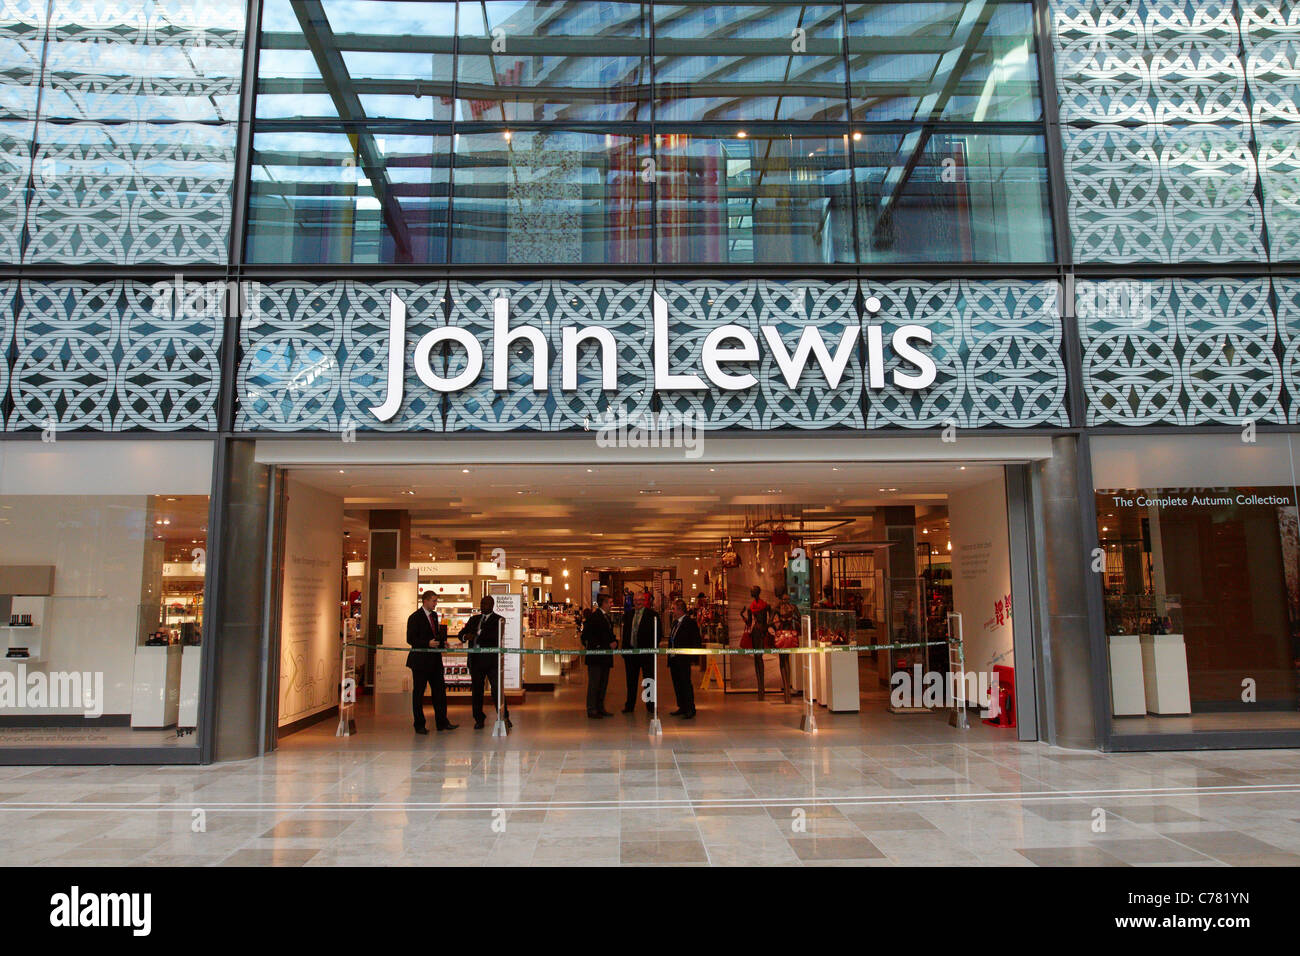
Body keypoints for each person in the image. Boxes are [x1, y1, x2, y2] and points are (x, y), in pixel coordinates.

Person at [406, 590, 456, 734]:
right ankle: (419, 724)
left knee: (439, 692)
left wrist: (442, 643)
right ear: (425, 601)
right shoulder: (414, 617)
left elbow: (435, 635)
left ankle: (442, 721)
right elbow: (411, 639)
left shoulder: (434, 616)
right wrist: (427, 643)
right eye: (433, 601)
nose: (435, 604)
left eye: (436, 601)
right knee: (419, 693)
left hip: (434, 660)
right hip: (420, 661)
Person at [459, 594, 510, 730]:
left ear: (492, 605)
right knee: (477, 692)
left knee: (496, 690)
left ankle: (504, 716)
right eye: (481, 604)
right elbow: (461, 633)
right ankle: (478, 718)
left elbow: (494, 638)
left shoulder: (499, 620)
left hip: (492, 662)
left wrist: (475, 635)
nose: (482, 607)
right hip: (475, 661)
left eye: (485, 604)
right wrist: (465, 636)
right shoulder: (473, 619)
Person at [621, 590, 658, 714]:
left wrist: (653, 649)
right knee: (630, 681)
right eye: (636, 600)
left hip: (647, 654)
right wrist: (624, 650)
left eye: (641, 600)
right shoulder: (628, 615)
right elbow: (625, 633)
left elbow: (658, 634)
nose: (638, 603)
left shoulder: (652, 615)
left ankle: (650, 705)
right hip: (631, 654)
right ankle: (629, 705)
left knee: (649, 680)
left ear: (645, 601)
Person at [581, 591, 617, 718]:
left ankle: (600, 707)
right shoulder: (594, 617)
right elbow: (586, 636)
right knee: (594, 684)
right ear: (604, 603)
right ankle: (592, 708)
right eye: (610, 602)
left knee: (603, 683)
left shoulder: (607, 617)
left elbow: (608, 634)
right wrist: (604, 645)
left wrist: (614, 642)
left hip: (605, 658)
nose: (612, 605)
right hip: (596, 658)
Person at [666, 598, 701, 719]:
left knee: (685, 683)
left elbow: (696, 640)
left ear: (680, 610)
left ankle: (690, 708)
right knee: (677, 684)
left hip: (683, 659)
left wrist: (693, 658)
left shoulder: (689, 623)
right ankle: (682, 706)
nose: (673, 611)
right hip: (674, 659)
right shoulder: (675, 623)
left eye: (674, 609)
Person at [740, 585, 772, 700]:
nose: (750, 591)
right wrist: (741, 615)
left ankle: (761, 687)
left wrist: (767, 626)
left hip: (760, 632)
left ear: (756, 592)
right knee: (757, 657)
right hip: (756, 632)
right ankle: (760, 687)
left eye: (752, 590)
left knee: (759, 657)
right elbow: (749, 623)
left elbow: (771, 617)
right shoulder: (752, 607)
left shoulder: (765, 606)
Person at [771, 585, 798, 704]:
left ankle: (787, 689)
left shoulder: (780, 607)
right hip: (787, 635)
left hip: (784, 635)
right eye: (784, 599)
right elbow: (800, 618)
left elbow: (770, 621)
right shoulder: (791, 607)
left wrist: (775, 624)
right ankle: (787, 689)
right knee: (785, 660)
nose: (785, 601)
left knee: (784, 661)